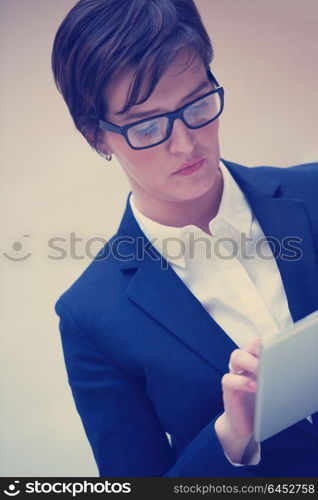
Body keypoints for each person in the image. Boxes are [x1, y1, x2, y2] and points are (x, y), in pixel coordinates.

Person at [52, 0, 318, 477]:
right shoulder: (91, 316)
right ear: (97, 137)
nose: (185, 143)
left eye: (197, 105)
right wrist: (230, 437)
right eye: (146, 126)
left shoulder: (314, 191)